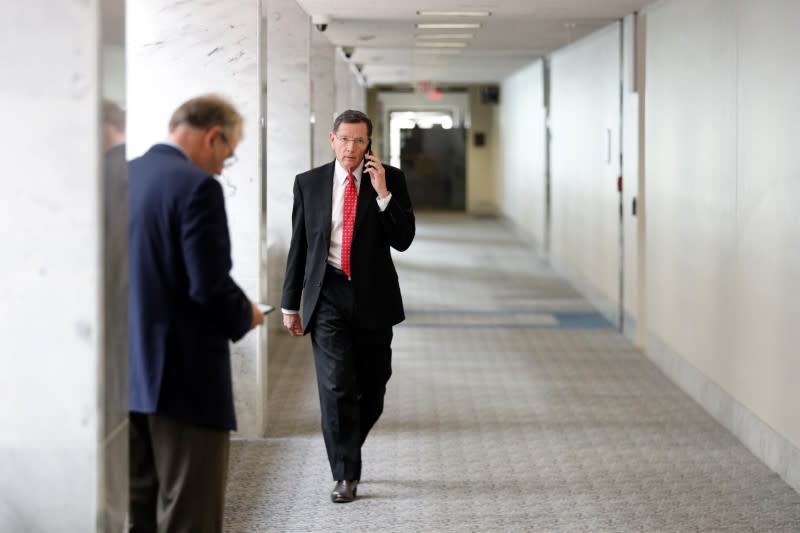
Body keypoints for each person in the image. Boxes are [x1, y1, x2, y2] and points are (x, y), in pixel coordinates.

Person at [128, 94, 264, 532]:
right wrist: (246, 315)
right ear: (213, 135)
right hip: (184, 378)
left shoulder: (120, 176)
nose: (223, 166)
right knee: (190, 513)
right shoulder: (196, 187)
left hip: (124, 375)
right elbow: (207, 285)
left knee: (139, 511)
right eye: (228, 153)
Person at [281, 109, 415, 503]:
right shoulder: (309, 184)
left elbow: (403, 239)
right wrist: (291, 304)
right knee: (336, 385)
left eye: (359, 141)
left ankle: (346, 439)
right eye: (345, 139)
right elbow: (299, 247)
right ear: (332, 139)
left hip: (373, 296)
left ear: (369, 143)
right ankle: (345, 474)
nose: (351, 148)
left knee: (373, 386)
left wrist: (384, 193)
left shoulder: (390, 180)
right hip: (327, 295)